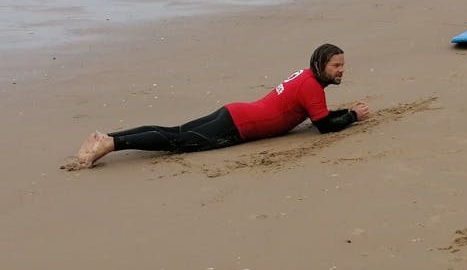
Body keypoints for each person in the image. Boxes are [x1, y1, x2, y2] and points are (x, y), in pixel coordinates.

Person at [63, 44, 371, 170]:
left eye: (343, 65)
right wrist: (354, 116)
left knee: (176, 131)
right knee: (176, 141)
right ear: (320, 65)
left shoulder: (306, 78)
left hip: (235, 112)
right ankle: (112, 142)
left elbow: (319, 116)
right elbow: (325, 126)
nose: (341, 70)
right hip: (237, 126)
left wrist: (343, 113)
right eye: (336, 65)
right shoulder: (311, 86)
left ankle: (107, 138)